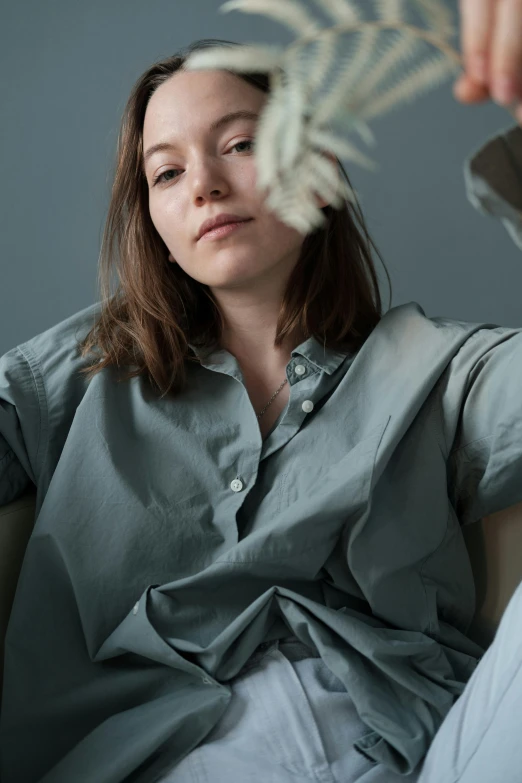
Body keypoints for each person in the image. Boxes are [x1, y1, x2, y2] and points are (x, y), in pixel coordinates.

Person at [1, 2, 522, 780]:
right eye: (167, 172)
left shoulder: (439, 370)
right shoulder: (78, 373)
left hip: (421, 752)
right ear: (157, 225)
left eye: (240, 143)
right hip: (165, 758)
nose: (205, 185)